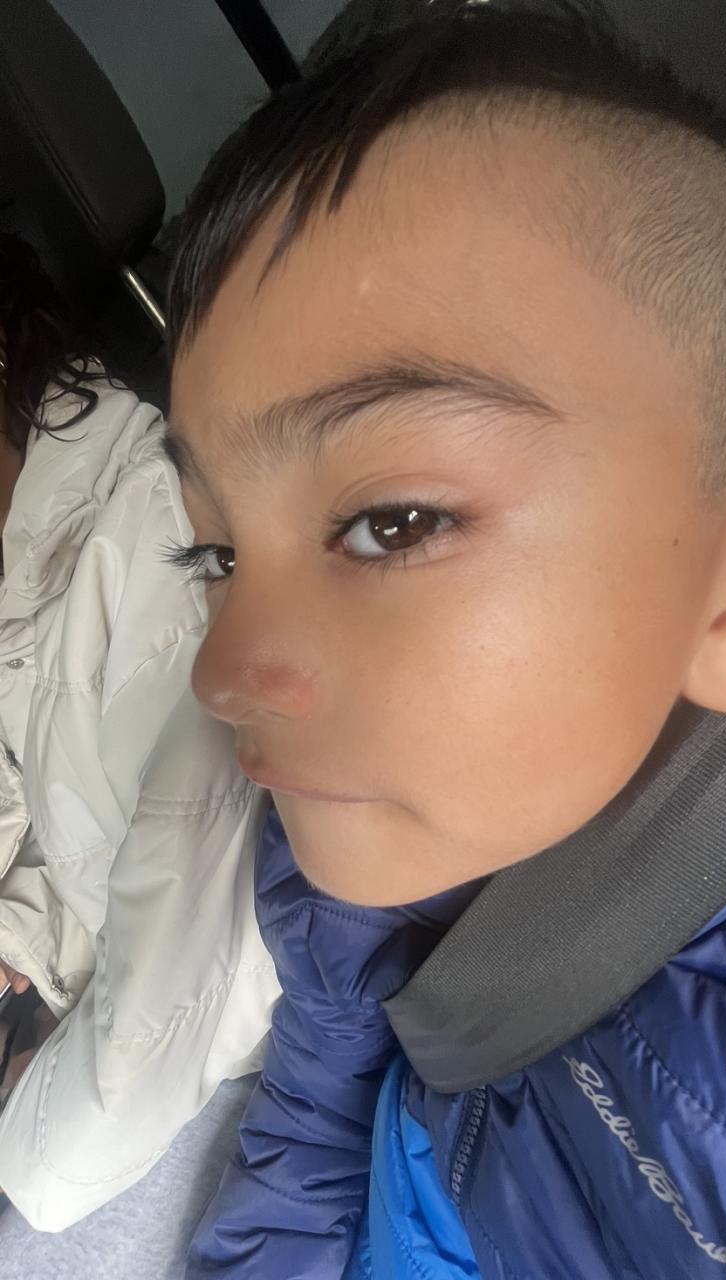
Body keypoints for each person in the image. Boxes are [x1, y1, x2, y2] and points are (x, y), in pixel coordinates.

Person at [165, 2, 726, 1276]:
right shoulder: (376, 809)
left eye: (391, 522)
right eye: (216, 554)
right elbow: (317, 1096)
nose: (222, 671)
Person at [0, 232, 279, 1247]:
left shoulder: (159, 519)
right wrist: (23, 938)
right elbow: (71, 801)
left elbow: (203, 935)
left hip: (231, 1042)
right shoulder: (29, 549)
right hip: (107, 1009)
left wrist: (24, 1149)